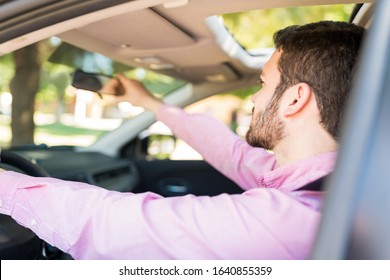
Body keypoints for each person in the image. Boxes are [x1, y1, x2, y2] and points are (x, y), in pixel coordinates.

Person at [0, 21, 364, 259]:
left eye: (263, 84)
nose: (254, 99)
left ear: (295, 99)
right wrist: (149, 102)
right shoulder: (329, 184)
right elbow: (231, 153)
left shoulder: (293, 219)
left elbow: (106, 223)